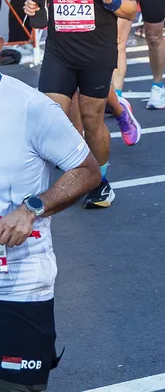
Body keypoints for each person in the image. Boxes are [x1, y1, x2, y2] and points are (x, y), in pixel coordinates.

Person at [26, 0, 138, 209]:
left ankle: (99, 181)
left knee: (92, 120)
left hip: (96, 53)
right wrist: (34, 7)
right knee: (51, 116)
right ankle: (67, 176)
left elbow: (130, 10)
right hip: (59, 50)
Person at [0, 72, 101, 392]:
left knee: (16, 387)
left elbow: (86, 171)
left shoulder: (31, 106)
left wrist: (31, 209)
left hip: (16, 280)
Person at [42, 0, 142, 146]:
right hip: (62, 43)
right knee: (60, 110)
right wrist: (36, 4)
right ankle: (80, 159)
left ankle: (119, 111)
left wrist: (113, 3)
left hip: (96, 40)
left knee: (90, 113)